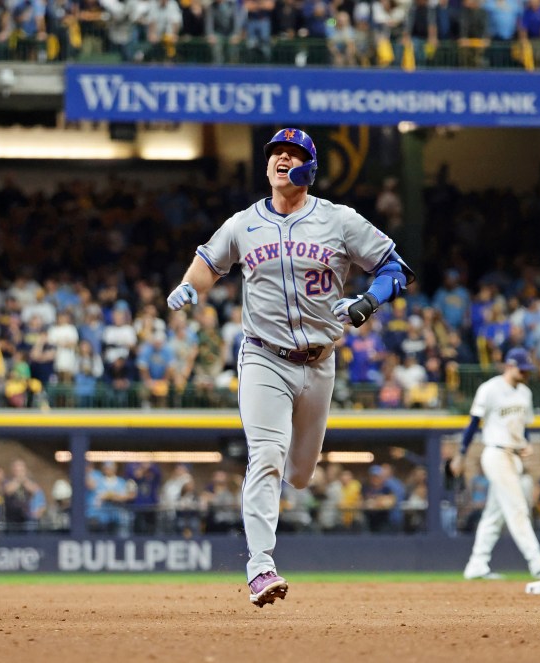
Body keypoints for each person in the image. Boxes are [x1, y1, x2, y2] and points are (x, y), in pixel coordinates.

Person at [166, 127, 414, 608]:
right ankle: (260, 567)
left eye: (293, 153)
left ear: (309, 168)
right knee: (267, 454)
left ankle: (283, 486)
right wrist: (189, 287)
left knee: (299, 474)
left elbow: (395, 267)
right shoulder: (243, 224)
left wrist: (367, 302)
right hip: (262, 356)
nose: (282, 158)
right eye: (276, 153)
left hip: (320, 362)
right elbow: (207, 264)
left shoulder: (339, 221)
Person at [451, 348, 540, 580]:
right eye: (522, 369)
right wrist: (461, 454)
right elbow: (473, 423)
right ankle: (537, 562)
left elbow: (524, 424)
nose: (526, 373)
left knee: (494, 515)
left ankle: (477, 564)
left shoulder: (525, 392)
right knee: (517, 507)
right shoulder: (490, 388)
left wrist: (525, 442)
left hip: (514, 456)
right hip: (495, 453)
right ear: (510, 366)